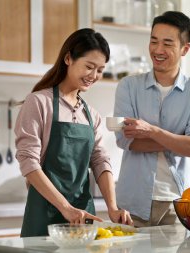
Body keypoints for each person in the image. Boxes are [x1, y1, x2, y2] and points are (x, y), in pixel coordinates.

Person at [14, 28, 133, 237]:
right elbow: (28, 162)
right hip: (45, 215)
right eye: (89, 66)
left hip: (83, 218)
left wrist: (113, 208)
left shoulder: (92, 115)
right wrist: (66, 208)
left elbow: (99, 160)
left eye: (100, 70)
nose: (94, 76)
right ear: (68, 58)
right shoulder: (39, 103)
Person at [114, 11, 190, 227]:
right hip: (133, 202)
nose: (158, 50)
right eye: (153, 41)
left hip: (181, 203)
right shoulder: (128, 87)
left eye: (167, 43)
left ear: (185, 49)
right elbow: (126, 141)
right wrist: (179, 140)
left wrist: (151, 131)